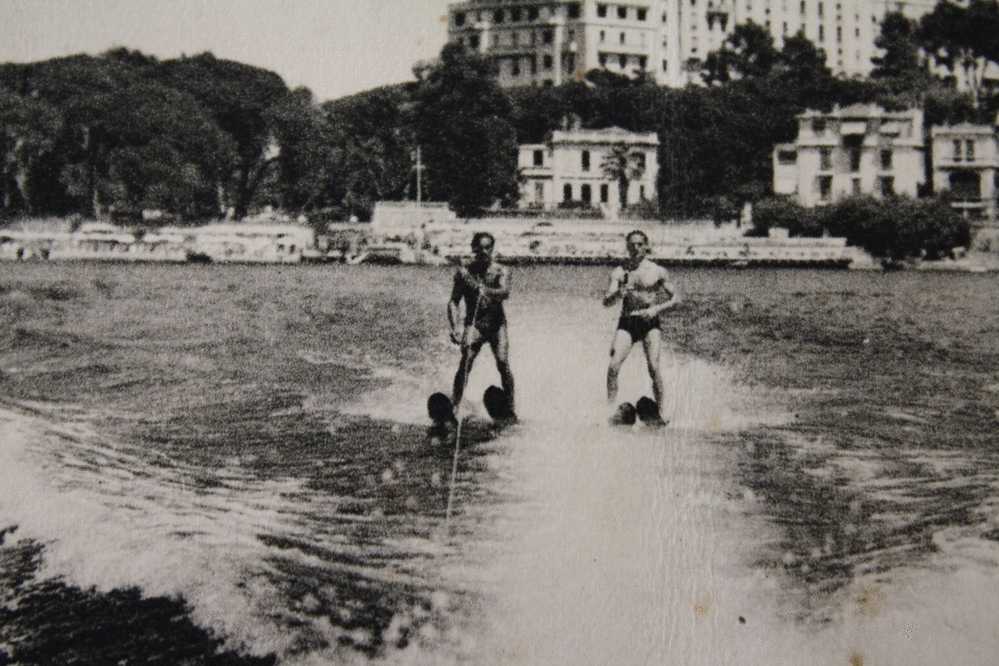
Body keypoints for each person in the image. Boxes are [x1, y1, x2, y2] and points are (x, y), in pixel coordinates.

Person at [602, 229, 680, 425]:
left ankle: (661, 412)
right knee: (613, 367)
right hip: (627, 322)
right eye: (631, 245)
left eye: (639, 244)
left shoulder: (657, 271)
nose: (635, 248)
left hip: (649, 323)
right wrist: (619, 293)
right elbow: (606, 301)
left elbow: (677, 299)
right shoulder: (620, 271)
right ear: (627, 246)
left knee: (653, 367)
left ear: (646, 246)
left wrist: (656, 309)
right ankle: (610, 410)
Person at [448, 231, 516, 420]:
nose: (484, 251)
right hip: (475, 324)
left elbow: (504, 292)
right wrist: (455, 326)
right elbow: (453, 301)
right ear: (473, 248)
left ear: (493, 248)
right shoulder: (464, 274)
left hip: (496, 325)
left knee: (503, 363)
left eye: (488, 247)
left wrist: (486, 291)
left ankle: (510, 408)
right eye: (480, 247)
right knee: (466, 361)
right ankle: (454, 407)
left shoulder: (502, 271)